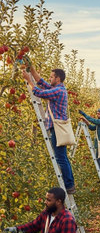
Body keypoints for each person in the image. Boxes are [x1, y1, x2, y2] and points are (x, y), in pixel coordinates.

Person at [23, 66, 75, 194]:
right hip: (57, 127)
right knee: (63, 157)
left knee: (60, 158)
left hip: (57, 128)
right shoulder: (58, 89)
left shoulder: (58, 91)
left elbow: (39, 93)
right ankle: (70, 184)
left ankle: (68, 185)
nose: (49, 78)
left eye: (51, 77)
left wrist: (29, 80)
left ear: (57, 78)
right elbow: (42, 83)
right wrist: (33, 70)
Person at [79, 107, 100, 181]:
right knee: (99, 160)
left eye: (98, 114)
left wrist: (84, 114)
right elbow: (92, 128)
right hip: (98, 145)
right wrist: (86, 121)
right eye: (97, 113)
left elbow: (93, 120)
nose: (97, 115)